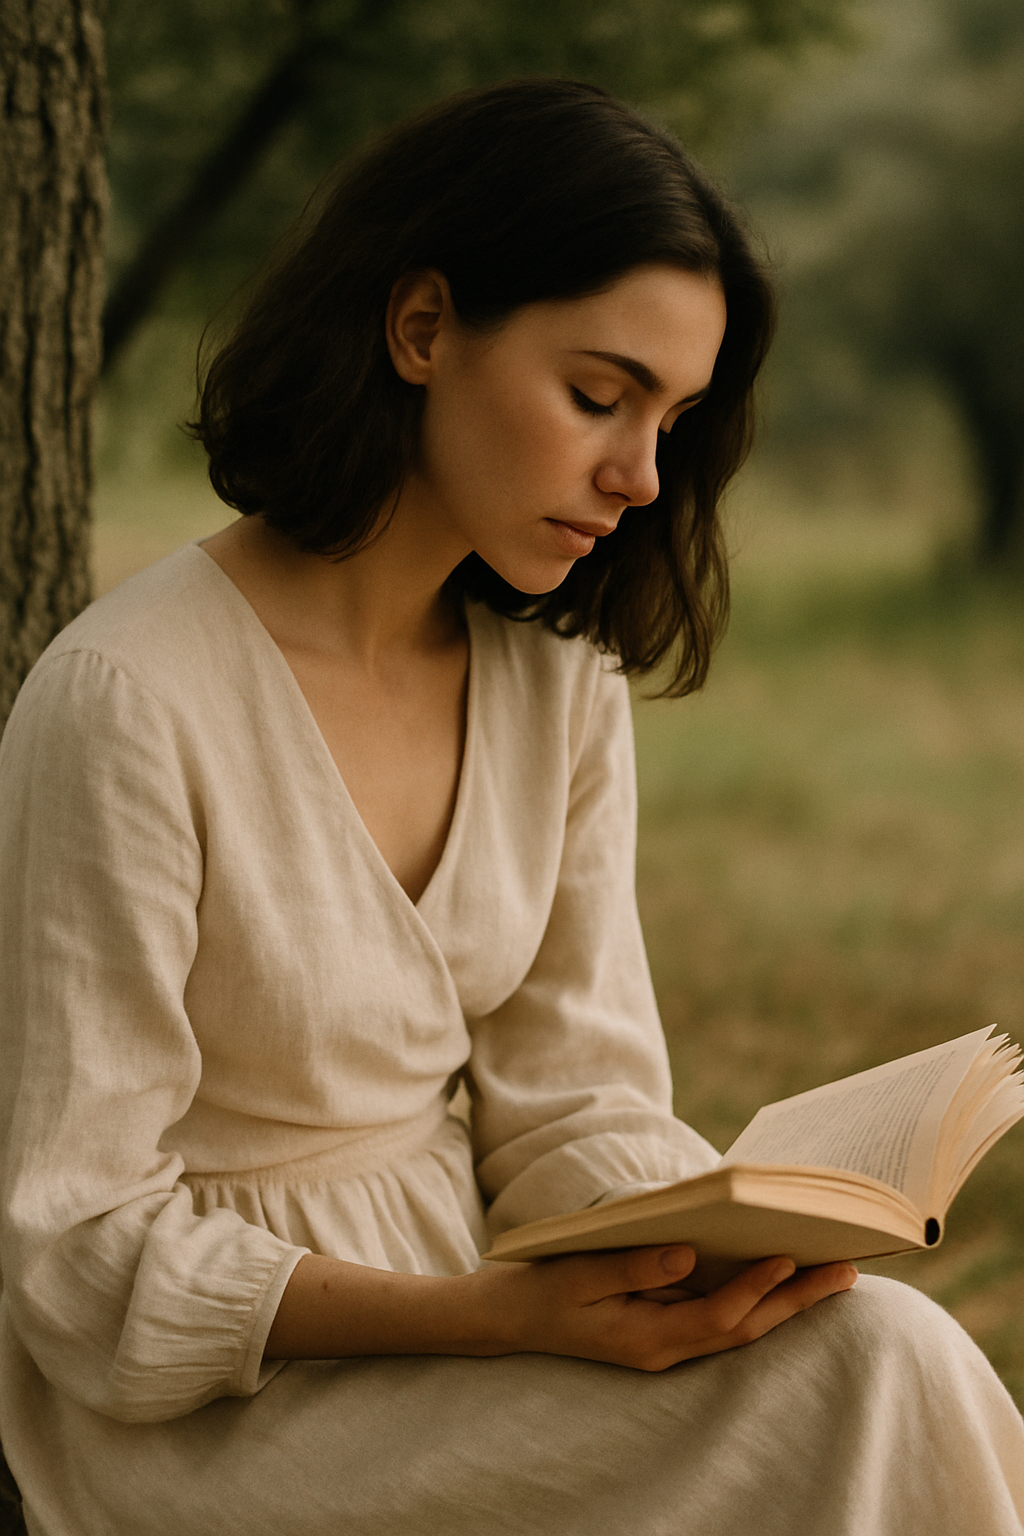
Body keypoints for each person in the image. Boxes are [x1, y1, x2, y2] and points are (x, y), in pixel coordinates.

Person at [0, 78, 1022, 1536]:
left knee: (873, 1349)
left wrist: (707, 1256)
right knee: (875, 1390)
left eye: (671, 418)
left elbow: (575, 1105)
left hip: (497, 1314)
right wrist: (491, 1318)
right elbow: (77, 1253)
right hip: (227, 1401)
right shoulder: (127, 701)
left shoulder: (556, 692)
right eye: (599, 396)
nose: (641, 474)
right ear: (422, 330)